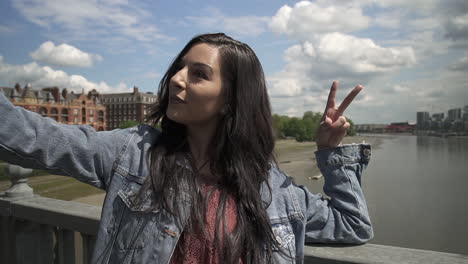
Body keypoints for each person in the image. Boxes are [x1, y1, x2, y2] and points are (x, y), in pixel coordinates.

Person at [0, 33, 373, 264]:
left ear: (231, 100)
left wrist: (330, 152)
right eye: (180, 68)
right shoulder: (134, 155)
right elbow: (33, 137)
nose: (177, 79)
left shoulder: (276, 191)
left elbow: (352, 226)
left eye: (198, 73)